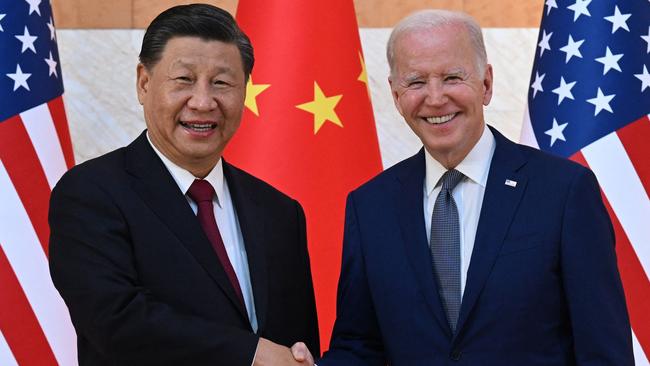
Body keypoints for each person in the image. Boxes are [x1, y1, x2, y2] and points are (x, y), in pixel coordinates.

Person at [299, 9, 634, 366]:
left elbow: (603, 351)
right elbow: (361, 345)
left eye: (452, 77)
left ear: (486, 84)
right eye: (415, 82)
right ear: (396, 97)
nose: (436, 97)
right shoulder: (370, 207)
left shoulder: (564, 192)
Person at [48, 4, 319, 365]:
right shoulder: (90, 193)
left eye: (222, 82)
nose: (203, 102)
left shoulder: (279, 211)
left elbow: (296, 343)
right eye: (184, 80)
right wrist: (249, 354)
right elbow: (116, 322)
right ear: (144, 83)